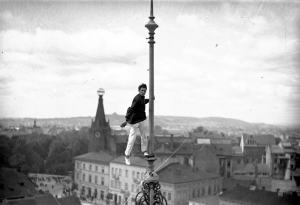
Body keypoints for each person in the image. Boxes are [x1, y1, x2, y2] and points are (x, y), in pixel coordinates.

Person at [120, 83, 150, 165]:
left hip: (142, 119)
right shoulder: (137, 98)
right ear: (139, 90)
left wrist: (149, 99)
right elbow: (131, 109)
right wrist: (126, 120)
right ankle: (127, 155)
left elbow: (143, 102)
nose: (143, 92)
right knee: (132, 138)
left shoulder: (142, 98)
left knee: (144, 136)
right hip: (135, 121)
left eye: (145, 91)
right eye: (142, 90)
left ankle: (145, 151)